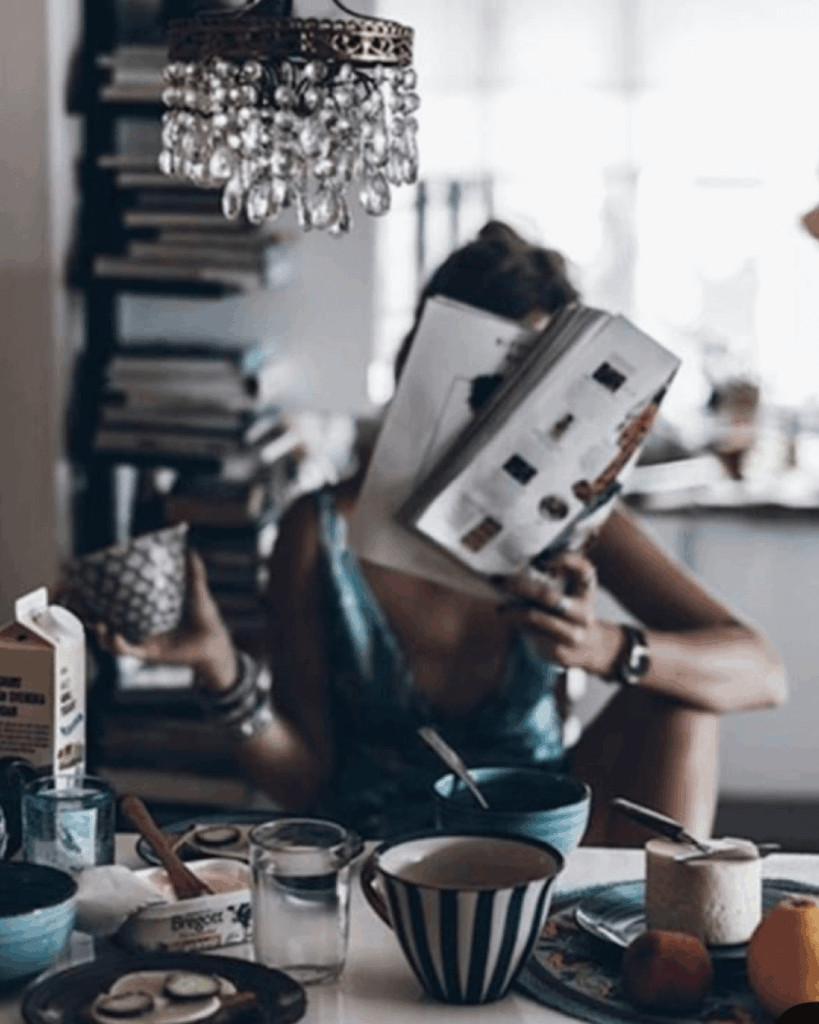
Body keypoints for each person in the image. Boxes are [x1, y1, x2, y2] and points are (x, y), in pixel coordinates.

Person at [92, 221, 787, 846]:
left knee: (688, 696)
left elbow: (762, 672)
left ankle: (663, 936)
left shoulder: (575, 519)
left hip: (543, 846)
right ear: (420, 370)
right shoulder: (321, 531)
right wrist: (220, 670)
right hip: (384, 862)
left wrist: (603, 646)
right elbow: (303, 782)